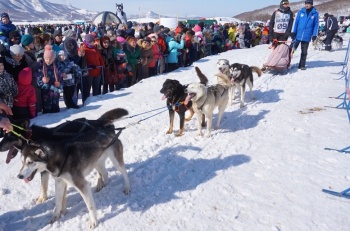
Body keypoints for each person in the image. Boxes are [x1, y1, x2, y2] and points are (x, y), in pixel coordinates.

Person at [291, 0, 319, 70]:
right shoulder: (300, 12)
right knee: (292, 49)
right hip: (298, 35)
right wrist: (293, 32)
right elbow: (296, 22)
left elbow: (316, 25)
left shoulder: (315, 13)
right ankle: (286, 63)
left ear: (311, 4)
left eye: (308, 4)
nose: (306, 5)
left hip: (307, 35)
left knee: (304, 52)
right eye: (306, 3)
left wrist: (314, 34)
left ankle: (302, 65)